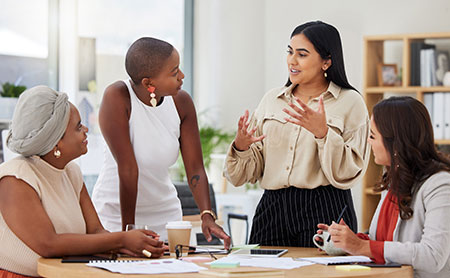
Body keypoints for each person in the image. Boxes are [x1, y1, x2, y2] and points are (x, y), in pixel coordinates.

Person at [224, 21, 370, 247]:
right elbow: (246, 174)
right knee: (263, 272)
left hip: (325, 206)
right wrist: (241, 147)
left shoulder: (350, 102)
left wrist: (323, 133)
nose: (292, 60)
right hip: (272, 207)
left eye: (302, 54)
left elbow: (351, 170)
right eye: (290, 52)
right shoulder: (272, 100)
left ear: (326, 61)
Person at [0, 86, 165, 278]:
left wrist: (134, 246)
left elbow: (95, 231)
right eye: (78, 126)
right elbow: (48, 244)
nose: (86, 129)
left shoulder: (71, 173)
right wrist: (122, 240)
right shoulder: (16, 178)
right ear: (56, 142)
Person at [91, 37, 230, 247]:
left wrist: (206, 215)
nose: (182, 76)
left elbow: (195, 167)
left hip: (167, 217)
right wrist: (128, 231)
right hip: (116, 216)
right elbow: (128, 169)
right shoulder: (118, 97)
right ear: (149, 83)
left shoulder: (182, 102)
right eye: (174, 72)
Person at [320, 96, 450, 278]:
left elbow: (433, 256)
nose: (368, 142)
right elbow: (385, 242)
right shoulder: (395, 178)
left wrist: (362, 247)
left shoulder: (440, 185)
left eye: (372, 136)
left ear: (395, 142)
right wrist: (347, 240)